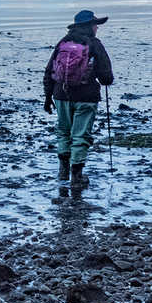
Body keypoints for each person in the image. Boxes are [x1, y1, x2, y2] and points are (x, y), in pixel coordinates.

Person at [43, 10, 114, 188]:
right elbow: (106, 77)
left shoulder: (63, 42)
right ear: (89, 26)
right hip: (86, 97)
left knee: (64, 132)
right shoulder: (94, 44)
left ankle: (63, 171)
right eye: (95, 24)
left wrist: (47, 97)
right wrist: (102, 78)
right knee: (80, 135)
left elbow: (49, 70)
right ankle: (76, 177)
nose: (97, 27)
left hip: (60, 95)